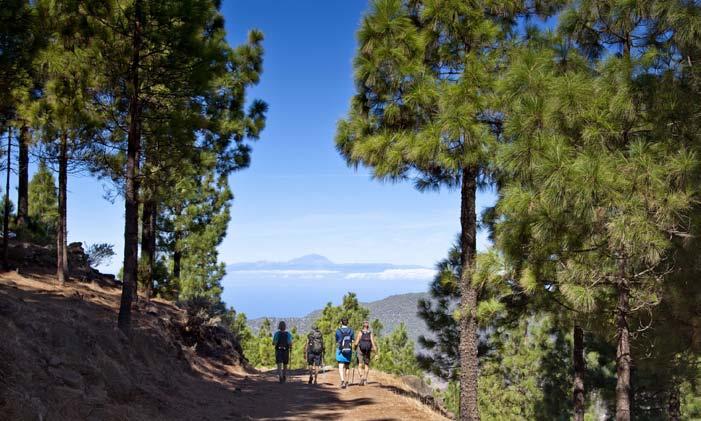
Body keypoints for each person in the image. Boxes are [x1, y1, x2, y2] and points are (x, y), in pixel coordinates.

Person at [353, 320, 378, 386]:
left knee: (360, 364)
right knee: (366, 364)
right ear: (368, 326)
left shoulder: (360, 332)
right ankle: (365, 380)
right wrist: (376, 353)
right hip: (368, 350)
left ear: (363, 325)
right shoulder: (370, 333)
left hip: (360, 349)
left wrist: (354, 348)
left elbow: (356, 343)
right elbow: (373, 343)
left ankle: (361, 377)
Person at [335, 317, 354, 389]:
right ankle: (347, 382)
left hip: (340, 349)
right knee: (347, 366)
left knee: (340, 365)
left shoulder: (338, 331)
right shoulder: (351, 331)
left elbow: (337, 340)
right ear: (347, 322)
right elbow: (352, 340)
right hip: (348, 350)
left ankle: (342, 380)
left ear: (341, 322)